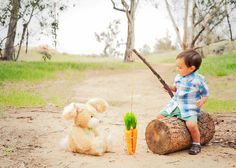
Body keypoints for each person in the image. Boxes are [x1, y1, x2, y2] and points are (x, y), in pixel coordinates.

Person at [157, 49, 209, 155]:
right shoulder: (179, 77)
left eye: (180, 67)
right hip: (175, 105)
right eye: (177, 66)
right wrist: (169, 88)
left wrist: (202, 101)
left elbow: (205, 93)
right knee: (159, 117)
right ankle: (161, 138)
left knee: (191, 125)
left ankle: (196, 143)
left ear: (192, 68)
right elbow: (176, 88)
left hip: (189, 107)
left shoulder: (198, 81)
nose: (177, 69)